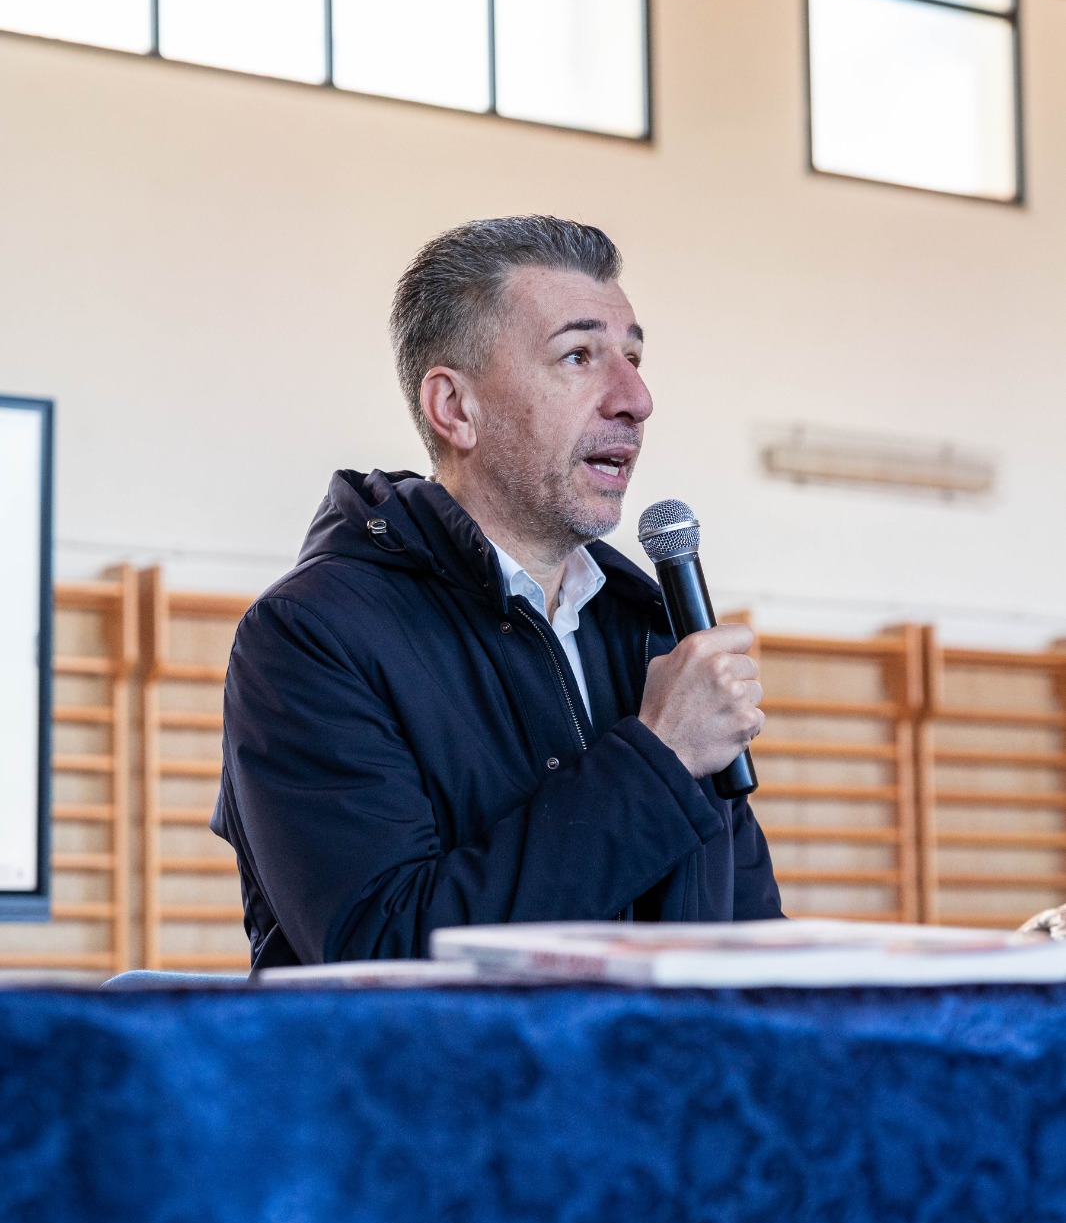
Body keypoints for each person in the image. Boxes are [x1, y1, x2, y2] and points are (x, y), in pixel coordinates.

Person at [212, 216, 780, 967]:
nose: (635, 398)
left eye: (634, 357)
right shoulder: (311, 636)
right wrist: (659, 758)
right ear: (455, 409)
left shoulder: (651, 634)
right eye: (579, 356)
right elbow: (386, 955)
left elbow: (751, 946)